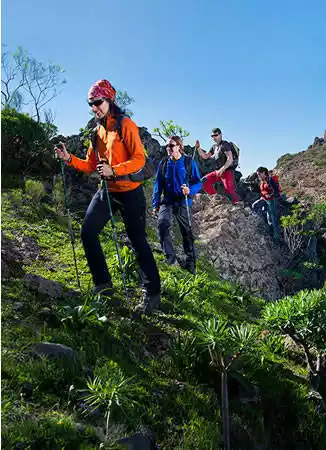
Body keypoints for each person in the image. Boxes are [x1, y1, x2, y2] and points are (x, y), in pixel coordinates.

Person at [54, 79, 161, 313]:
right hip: (107, 192)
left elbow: (139, 159)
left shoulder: (126, 125)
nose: (94, 107)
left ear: (109, 100)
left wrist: (115, 170)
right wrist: (69, 159)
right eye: (91, 104)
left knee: (137, 241)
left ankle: (152, 292)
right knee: (87, 232)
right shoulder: (97, 132)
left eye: (98, 102)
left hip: (130, 193)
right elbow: (91, 164)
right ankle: (103, 287)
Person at [152, 136, 203, 273]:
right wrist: (155, 204)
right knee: (162, 224)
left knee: (187, 231)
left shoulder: (188, 162)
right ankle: (170, 257)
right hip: (167, 200)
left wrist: (190, 190)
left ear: (179, 146)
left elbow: (198, 182)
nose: (168, 148)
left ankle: (190, 263)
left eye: (171, 145)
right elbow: (158, 185)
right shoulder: (163, 163)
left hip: (183, 200)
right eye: (167, 146)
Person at [195, 128, 239, 205]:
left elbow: (230, 159)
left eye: (216, 135)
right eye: (212, 136)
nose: (214, 137)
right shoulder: (214, 147)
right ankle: (216, 199)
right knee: (204, 181)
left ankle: (238, 205)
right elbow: (205, 156)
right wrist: (198, 148)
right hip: (218, 172)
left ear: (220, 135)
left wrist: (222, 170)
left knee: (229, 190)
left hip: (227, 171)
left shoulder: (225, 144)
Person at [255, 166, 281, 242]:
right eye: (257, 174)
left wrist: (270, 196)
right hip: (264, 199)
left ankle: (276, 237)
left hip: (271, 201)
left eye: (259, 174)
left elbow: (276, 190)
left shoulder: (270, 179)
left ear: (264, 173)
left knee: (272, 218)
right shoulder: (261, 181)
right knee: (255, 206)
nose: (258, 176)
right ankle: (262, 223)